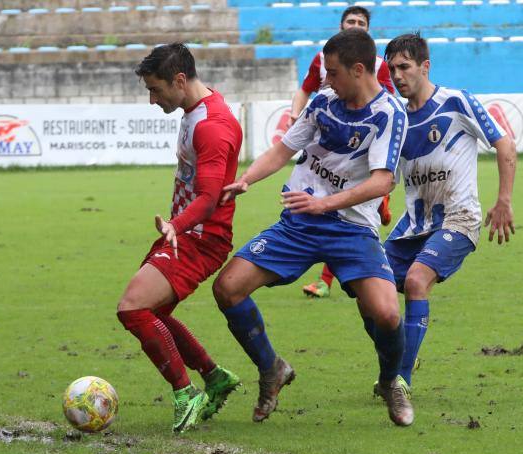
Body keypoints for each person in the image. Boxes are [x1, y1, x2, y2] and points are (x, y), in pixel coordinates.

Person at [213, 29, 414, 426]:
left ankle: (390, 381)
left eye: (334, 73)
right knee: (227, 288)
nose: (326, 81)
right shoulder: (324, 101)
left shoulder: (390, 113)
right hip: (301, 222)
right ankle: (271, 368)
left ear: (359, 70)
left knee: (388, 314)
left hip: (352, 229)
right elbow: (283, 149)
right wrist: (247, 179)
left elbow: (381, 182)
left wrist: (323, 203)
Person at [375, 33, 516, 394]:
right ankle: (403, 355)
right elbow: (383, 175)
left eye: (405, 67)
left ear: (425, 66)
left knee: (417, 281)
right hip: (412, 225)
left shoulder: (456, 101)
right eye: (392, 69)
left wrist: (504, 200)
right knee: (372, 291)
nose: (398, 76)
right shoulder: (397, 119)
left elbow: (504, 143)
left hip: (458, 218)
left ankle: (399, 379)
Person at [117, 43, 242, 433]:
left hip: (200, 238)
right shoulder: (198, 110)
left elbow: (208, 197)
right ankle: (213, 375)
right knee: (151, 313)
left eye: (156, 90)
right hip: (186, 232)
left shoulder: (212, 127)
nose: (153, 100)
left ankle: (186, 393)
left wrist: (177, 225)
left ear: (180, 80)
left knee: (133, 309)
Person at [291, 5, 395, 299]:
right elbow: (305, 89)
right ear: (340, 26)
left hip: (360, 150)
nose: (356, 25)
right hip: (328, 146)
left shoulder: (377, 65)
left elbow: (385, 99)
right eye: (351, 21)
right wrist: (296, 115)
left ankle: (335, 277)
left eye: (361, 22)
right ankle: (331, 276)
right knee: (330, 205)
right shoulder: (321, 59)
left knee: (342, 210)